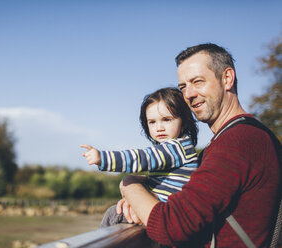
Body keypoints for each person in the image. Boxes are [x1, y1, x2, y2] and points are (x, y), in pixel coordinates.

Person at [118, 43, 281, 247]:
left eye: (197, 82)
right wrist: (144, 199)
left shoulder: (238, 141)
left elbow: (172, 226)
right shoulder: (244, 137)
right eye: (183, 87)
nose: (189, 94)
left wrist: (131, 185)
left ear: (227, 78)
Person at [80, 87, 198, 227]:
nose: (159, 127)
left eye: (166, 120)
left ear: (183, 121)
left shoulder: (176, 148)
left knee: (113, 214)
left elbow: (141, 158)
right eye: (152, 122)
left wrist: (103, 158)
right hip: (161, 208)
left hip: (164, 213)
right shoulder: (179, 148)